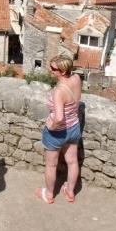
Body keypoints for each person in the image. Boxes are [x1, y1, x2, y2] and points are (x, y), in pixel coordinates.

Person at [37, 56, 83, 204]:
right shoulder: (76, 78)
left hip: (57, 133)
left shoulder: (58, 92)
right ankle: (70, 192)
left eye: (53, 69)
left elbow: (58, 117)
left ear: (63, 72)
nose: (49, 70)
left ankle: (49, 194)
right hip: (74, 127)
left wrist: (51, 126)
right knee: (72, 162)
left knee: (51, 165)